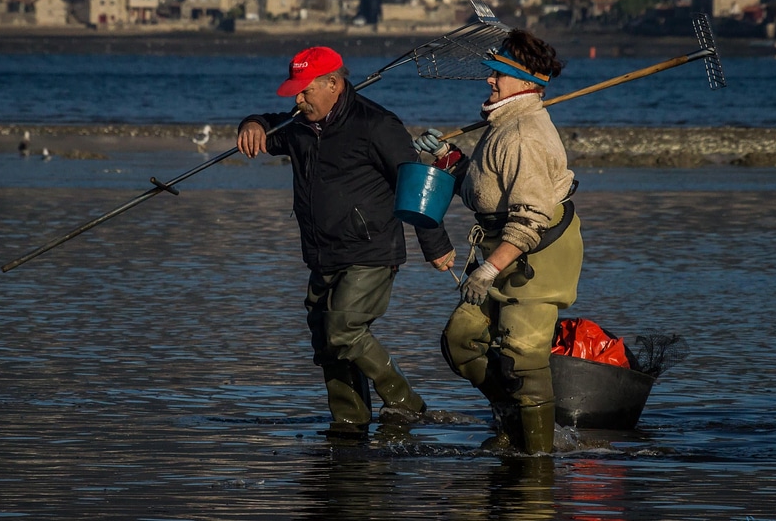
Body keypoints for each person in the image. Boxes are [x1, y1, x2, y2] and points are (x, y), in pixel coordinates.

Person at [236, 46, 457, 430]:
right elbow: (268, 128)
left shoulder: (377, 125)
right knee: (326, 341)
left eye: (305, 92)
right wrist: (252, 123)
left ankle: (406, 402)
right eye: (296, 92)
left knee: (344, 329)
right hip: (321, 253)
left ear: (334, 84)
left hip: (370, 251)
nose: (299, 100)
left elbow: (415, 184)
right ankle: (350, 423)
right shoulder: (300, 123)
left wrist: (435, 246)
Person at [413, 29, 583, 454]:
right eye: (492, 72)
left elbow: (529, 221)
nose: (489, 80)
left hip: (534, 257)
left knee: (522, 359)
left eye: (499, 74)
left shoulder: (525, 134)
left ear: (526, 83)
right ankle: (512, 421)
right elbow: (487, 184)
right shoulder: (505, 123)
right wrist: (447, 159)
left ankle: (538, 455)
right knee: (461, 341)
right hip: (498, 246)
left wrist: (488, 271)